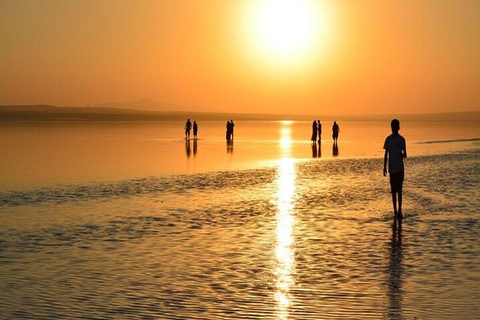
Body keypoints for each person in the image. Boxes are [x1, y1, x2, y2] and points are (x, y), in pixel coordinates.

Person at [383, 119, 407, 219]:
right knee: (393, 191)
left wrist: (400, 155)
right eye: (393, 127)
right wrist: (384, 167)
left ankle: (399, 211)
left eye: (395, 127)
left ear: (398, 128)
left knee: (399, 190)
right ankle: (395, 211)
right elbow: (386, 154)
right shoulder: (388, 139)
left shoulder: (402, 140)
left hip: (400, 169)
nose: (394, 129)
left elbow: (405, 155)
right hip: (392, 169)